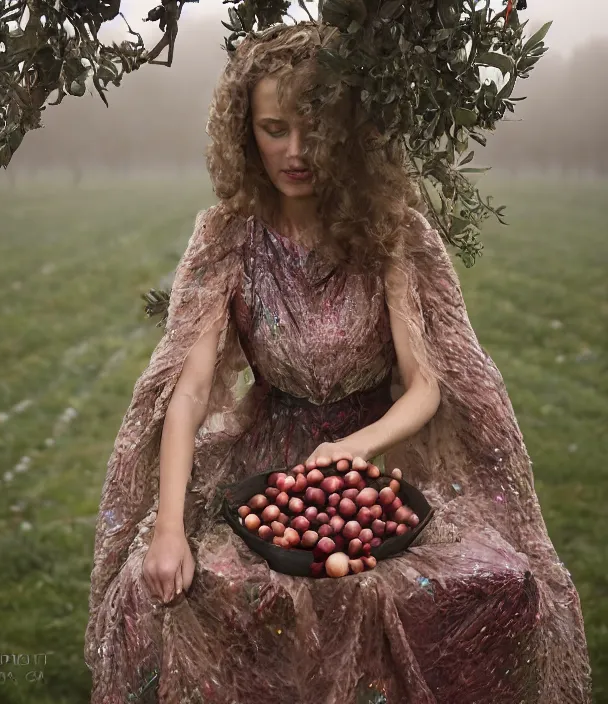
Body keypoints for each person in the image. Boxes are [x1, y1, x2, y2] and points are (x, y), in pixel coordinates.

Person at [84, 21, 592, 704]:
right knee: (211, 605)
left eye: (315, 130)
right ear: (245, 133)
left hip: (379, 462)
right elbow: (191, 389)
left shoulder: (390, 232)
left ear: (349, 134)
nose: (295, 152)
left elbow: (425, 389)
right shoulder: (227, 237)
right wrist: (169, 529)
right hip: (262, 463)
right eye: (273, 129)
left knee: (480, 588)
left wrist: (350, 449)